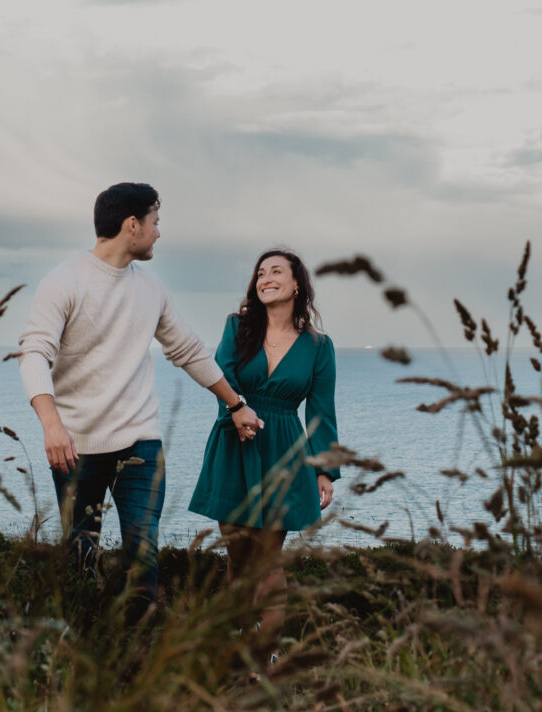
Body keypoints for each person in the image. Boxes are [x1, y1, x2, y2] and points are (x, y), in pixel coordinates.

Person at [18, 182, 263, 622]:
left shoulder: (151, 289)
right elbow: (35, 353)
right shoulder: (64, 281)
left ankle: (138, 647)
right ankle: (85, 647)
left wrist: (235, 404)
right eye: (155, 222)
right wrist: (51, 425)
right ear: (132, 225)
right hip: (75, 447)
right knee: (80, 554)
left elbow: (187, 349)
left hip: (140, 445)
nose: (158, 233)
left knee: (142, 553)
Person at [188, 249, 340, 671]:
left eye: (277, 272)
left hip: (284, 451)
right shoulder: (237, 328)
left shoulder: (319, 346)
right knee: (238, 553)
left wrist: (325, 468)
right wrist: (234, 413)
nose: (266, 278)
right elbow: (222, 374)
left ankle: (267, 656)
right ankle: (240, 636)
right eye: (260, 273)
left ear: (297, 285)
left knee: (268, 558)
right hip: (234, 440)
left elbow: (321, 411)